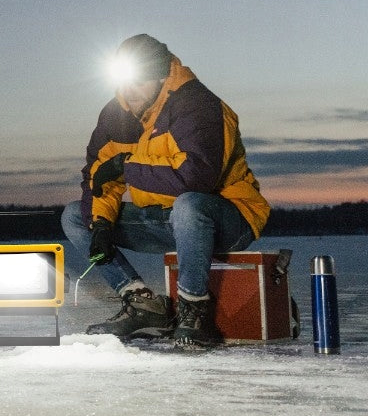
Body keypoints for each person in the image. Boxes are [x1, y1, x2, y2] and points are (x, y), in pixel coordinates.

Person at [61, 34, 270, 348]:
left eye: (139, 82)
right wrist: (102, 224)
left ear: (161, 76)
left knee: (188, 205)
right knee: (75, 217)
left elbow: (196, 179)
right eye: (124, 82)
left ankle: (194, 309)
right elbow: (99, 176)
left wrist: (127, 166)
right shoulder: (115, 115)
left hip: (225, 217)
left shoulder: (196, 104)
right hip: (163, 221)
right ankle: (143, 303)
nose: (129, 92)